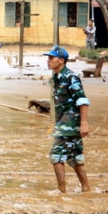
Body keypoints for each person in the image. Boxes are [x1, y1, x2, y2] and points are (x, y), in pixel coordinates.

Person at [43, 45, 91, 193]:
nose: (48, 61)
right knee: (74, 156)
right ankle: (86, 188)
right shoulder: (56, 78)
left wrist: (84, 123)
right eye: (48, 58)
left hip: (70, 122)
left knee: (56, 154)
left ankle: (61, 190)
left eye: (52, 58)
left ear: (61, 60)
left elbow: (82, 100)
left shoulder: (71, 77)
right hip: (63, 122)